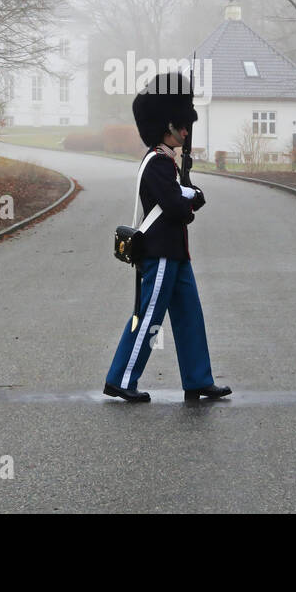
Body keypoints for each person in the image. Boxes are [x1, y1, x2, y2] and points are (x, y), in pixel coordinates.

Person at [104, 71, 231, 403]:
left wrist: (191, 194)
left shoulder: (166, 162)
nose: (186, 130)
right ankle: (121, 378)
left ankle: (198, 379)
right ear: (167, 126)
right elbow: (175, 207)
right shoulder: (158, 163)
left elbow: (183, 194)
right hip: (160, 253)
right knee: (147, 317)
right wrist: (191, 203)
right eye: (182, 125)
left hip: (175, 253)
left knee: (191, 316)